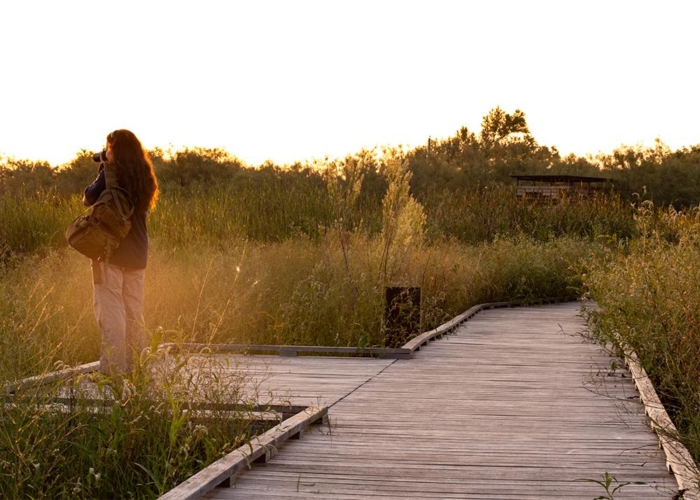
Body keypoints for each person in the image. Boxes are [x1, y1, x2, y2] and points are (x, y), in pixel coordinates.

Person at [83, 129, 159, 374]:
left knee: (112, 313)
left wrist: (103, 169)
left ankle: (114, 371)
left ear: (113, 148)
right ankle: (139, 368)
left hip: (111, 250)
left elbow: (88, 198)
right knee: (134, 314)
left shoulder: (111, 172)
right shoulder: (145, 175)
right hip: (138, 253)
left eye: (109, 148)